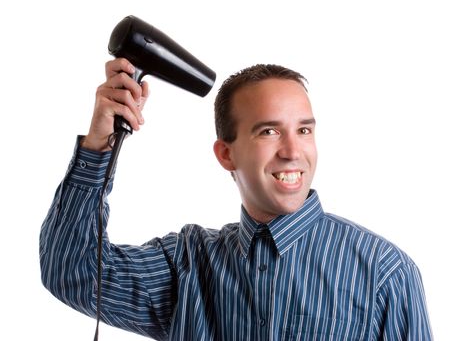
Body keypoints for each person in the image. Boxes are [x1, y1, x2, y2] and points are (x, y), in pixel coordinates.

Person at [40, 58, 433, 340]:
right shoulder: (188, 266)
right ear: (226, 154)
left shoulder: (386, 274)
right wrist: (98, 145)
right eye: (269, 132)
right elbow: (71, 271)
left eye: (304, 130)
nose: (293, 151)